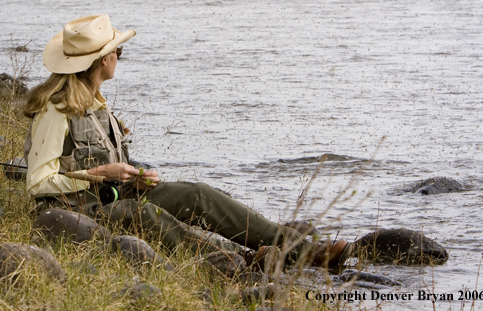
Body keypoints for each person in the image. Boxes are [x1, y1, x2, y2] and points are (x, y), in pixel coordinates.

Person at [23, 14, 348, 270]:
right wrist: (102, 174)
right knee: (147, 216)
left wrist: (133, 175)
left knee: (198, 195)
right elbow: (38, 183)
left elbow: (99, 165)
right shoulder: (56, 109)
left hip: (116, 194)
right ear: (104, 61)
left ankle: (303, 251)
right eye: (118, 51)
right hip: (79, 211)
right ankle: (236, 262)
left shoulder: (97, 103)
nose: (119, 57)